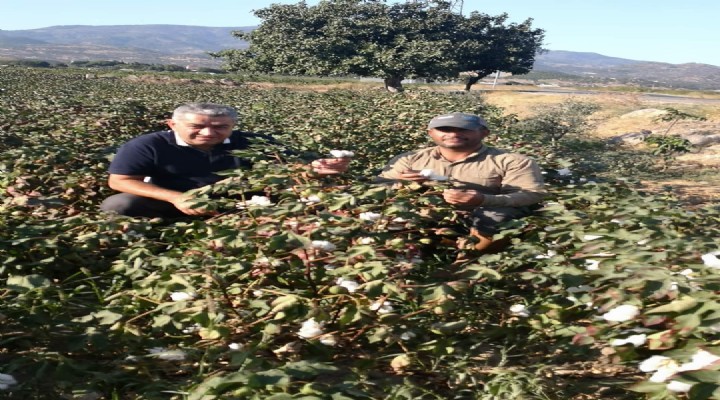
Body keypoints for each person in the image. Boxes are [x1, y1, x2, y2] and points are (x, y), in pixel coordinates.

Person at [100, 102, 349, 217]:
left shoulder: (254, 142)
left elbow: (294, 168)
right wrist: (177, 197)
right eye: (197, 126)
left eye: (220, 127)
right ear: (172, 124)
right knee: (119, 205)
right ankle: (148, 237)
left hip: (245, 205)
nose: (209, 133)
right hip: (173, 202)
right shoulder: (147, 145)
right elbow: (120, 181)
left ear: (233, 126)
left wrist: (318, 168)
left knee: (323, 198)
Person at [376, 112, 546, 251]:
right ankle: (405, 256)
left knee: (495, 215)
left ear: (484, 133)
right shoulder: (410, 158)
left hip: (478, 218)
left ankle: (465, 264)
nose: (453, 134)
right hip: (427, 216)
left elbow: (531, 194)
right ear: (431, 133)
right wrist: (399, 182)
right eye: (445, 129)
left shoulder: (512, 161)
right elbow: (377, 187)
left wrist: (484, 200)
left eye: (464, 130)